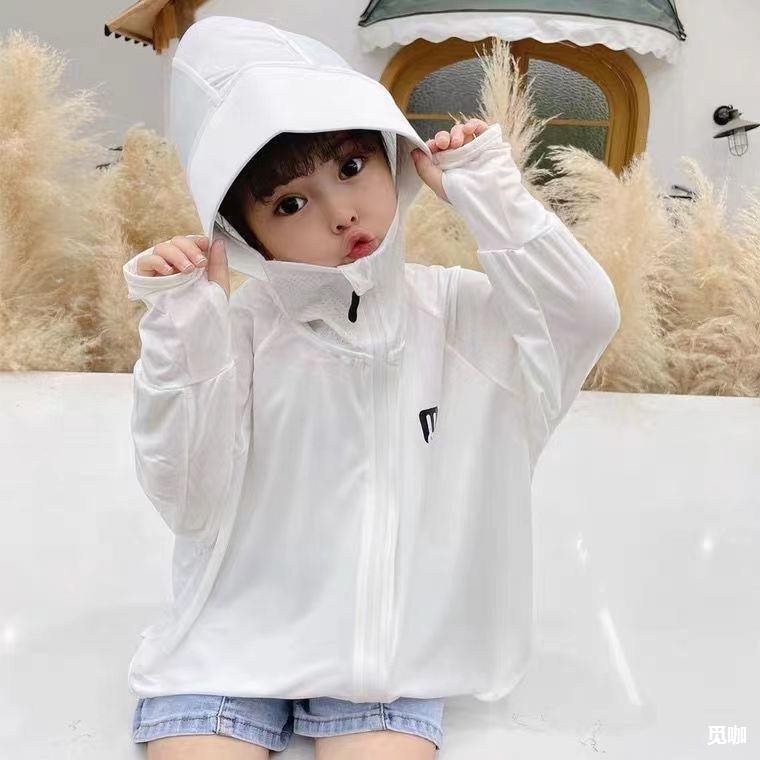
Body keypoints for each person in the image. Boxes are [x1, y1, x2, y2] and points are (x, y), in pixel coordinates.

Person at [122, 16, 621, 758]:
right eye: (290, 204)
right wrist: (182, 332)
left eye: (352, 166)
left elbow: (584, 318)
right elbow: (186, 497)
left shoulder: (458, 316)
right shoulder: (240, 331)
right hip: (233, 645)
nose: (341, 213)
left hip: (394, 659)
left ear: (392, 153)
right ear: (244, 236)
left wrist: (490, 194)